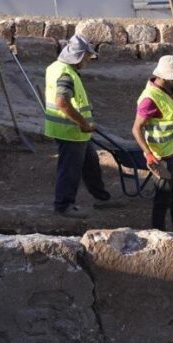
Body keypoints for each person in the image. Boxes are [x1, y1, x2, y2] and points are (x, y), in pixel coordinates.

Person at [44, 34, 112, 217]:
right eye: (87, 58)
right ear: (79, 56)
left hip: (76, 130)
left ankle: (102, 198)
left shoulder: (56, 67)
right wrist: (83, 123)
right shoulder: (66, 74)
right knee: (70, 169)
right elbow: (61, 102)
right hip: (70, 130)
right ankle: (64, 205)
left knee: (91, 163)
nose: (87, 61)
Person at [131, 56, 173, 236]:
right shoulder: (149, 99)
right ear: (166, 79)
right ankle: (159, 236)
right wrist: (148, 154)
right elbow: (136, 129)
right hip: (162, 158)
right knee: (162, 199)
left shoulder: (166, 89)